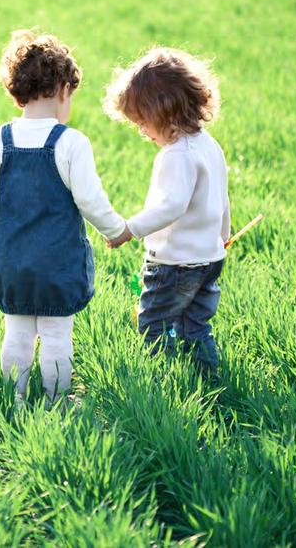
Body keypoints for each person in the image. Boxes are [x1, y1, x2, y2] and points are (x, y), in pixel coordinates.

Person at [0, 29, 126, 408]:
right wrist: (116, 230)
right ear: (63, 91)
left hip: (13, 260)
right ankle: (56, 401)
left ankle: (14, 399)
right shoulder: (71, 143)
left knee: (16, 333)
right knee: (56, 336)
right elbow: (91, 200)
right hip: (58, 264)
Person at [103, 47, 229, 378]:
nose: (143, 132)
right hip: (209, 259)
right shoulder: (208, 145)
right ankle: (208, 378)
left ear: (164, 112)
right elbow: (221, 197)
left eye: (144, 123)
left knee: (153, 323)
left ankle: (162, 380)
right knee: (195, 325)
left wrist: (129, 229)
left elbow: (172, 206)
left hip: (175, 264)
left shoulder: (177, 154)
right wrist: (222, 237)